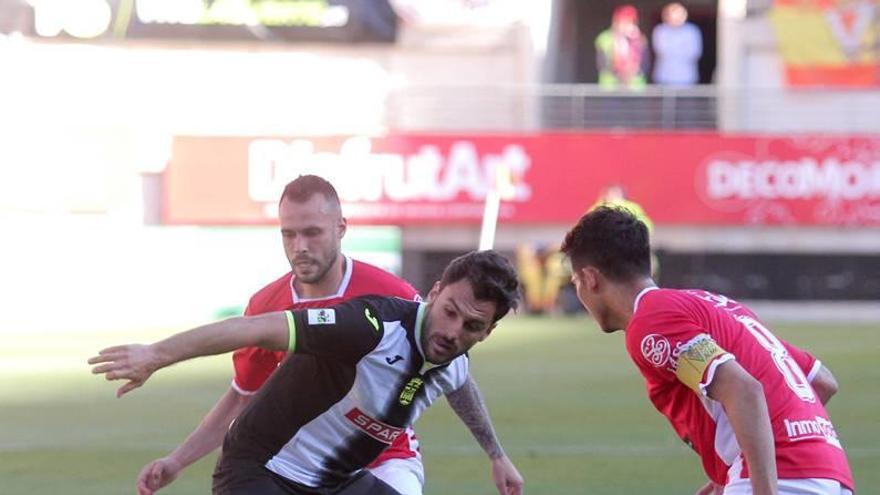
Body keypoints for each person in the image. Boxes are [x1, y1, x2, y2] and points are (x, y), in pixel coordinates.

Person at [125, 175, 523, 495]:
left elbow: (454, 376)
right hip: (274, 463)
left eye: (312, 232)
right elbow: (243, 383)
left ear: (340, 229)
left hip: (369, 461)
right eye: (289, 234)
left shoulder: (397, 297)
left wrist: (496, 454)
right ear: (435, 296)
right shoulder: (347, 317)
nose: (300, 247)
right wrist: (158, 361)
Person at [560, 206, 855, 495]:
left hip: (785, 480)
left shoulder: (652, 323)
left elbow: (744, 389)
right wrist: (728, 473)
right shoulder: (714, 306)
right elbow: (822, 381)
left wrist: (759, 485)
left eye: (575, 282)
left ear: (590, 278)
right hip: (831, 476)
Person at [595, 5, 649, 90]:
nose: (626, 25)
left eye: (630, 21)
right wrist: (621, 76)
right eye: (623, 21)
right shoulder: (605, 38)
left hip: (634, 88)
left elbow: (644, 64)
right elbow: (603, 64)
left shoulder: (640, 39)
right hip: (611, 87)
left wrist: (634, 40)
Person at [652, 2, 703, 86]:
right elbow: (662, 51)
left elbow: (694, 53)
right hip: (664, 78)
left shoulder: (692, 31)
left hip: (687, 79)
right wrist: (681, 49)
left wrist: (674, 50)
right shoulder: (660, 31)